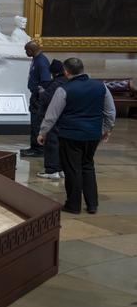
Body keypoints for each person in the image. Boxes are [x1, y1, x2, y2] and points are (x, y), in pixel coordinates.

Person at [37, 58, 116, 214]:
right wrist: (106, 129)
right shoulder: (101, 87)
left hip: (70, 135)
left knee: (72, 169)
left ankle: (73, 205)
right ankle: (92, 204)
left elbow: (52, 115)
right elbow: (110, 111)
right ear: (82, 69)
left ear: (66, 72)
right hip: (93, 134)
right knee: (88, 166)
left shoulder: (64, 89)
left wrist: (43, 132)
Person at [36, 59, 66, 179]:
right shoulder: (68, 82)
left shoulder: (55, 84)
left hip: (54, 119)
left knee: (52, 144)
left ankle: (51, 170)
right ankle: (62, 169)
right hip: (65, 119)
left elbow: (48, 100)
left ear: (53, 73)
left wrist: (42, 92)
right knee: (63, 145)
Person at [21, 41, 52, 158]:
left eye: (26, 50)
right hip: (35, 95)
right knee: (34, 122)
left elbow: (45, 81)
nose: (25, 52)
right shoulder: (36, 59)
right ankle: (34, 147)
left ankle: (38, 149)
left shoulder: (41, 61)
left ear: (31, 50)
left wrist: (39, 96)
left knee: (37, 122)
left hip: (38, 98)